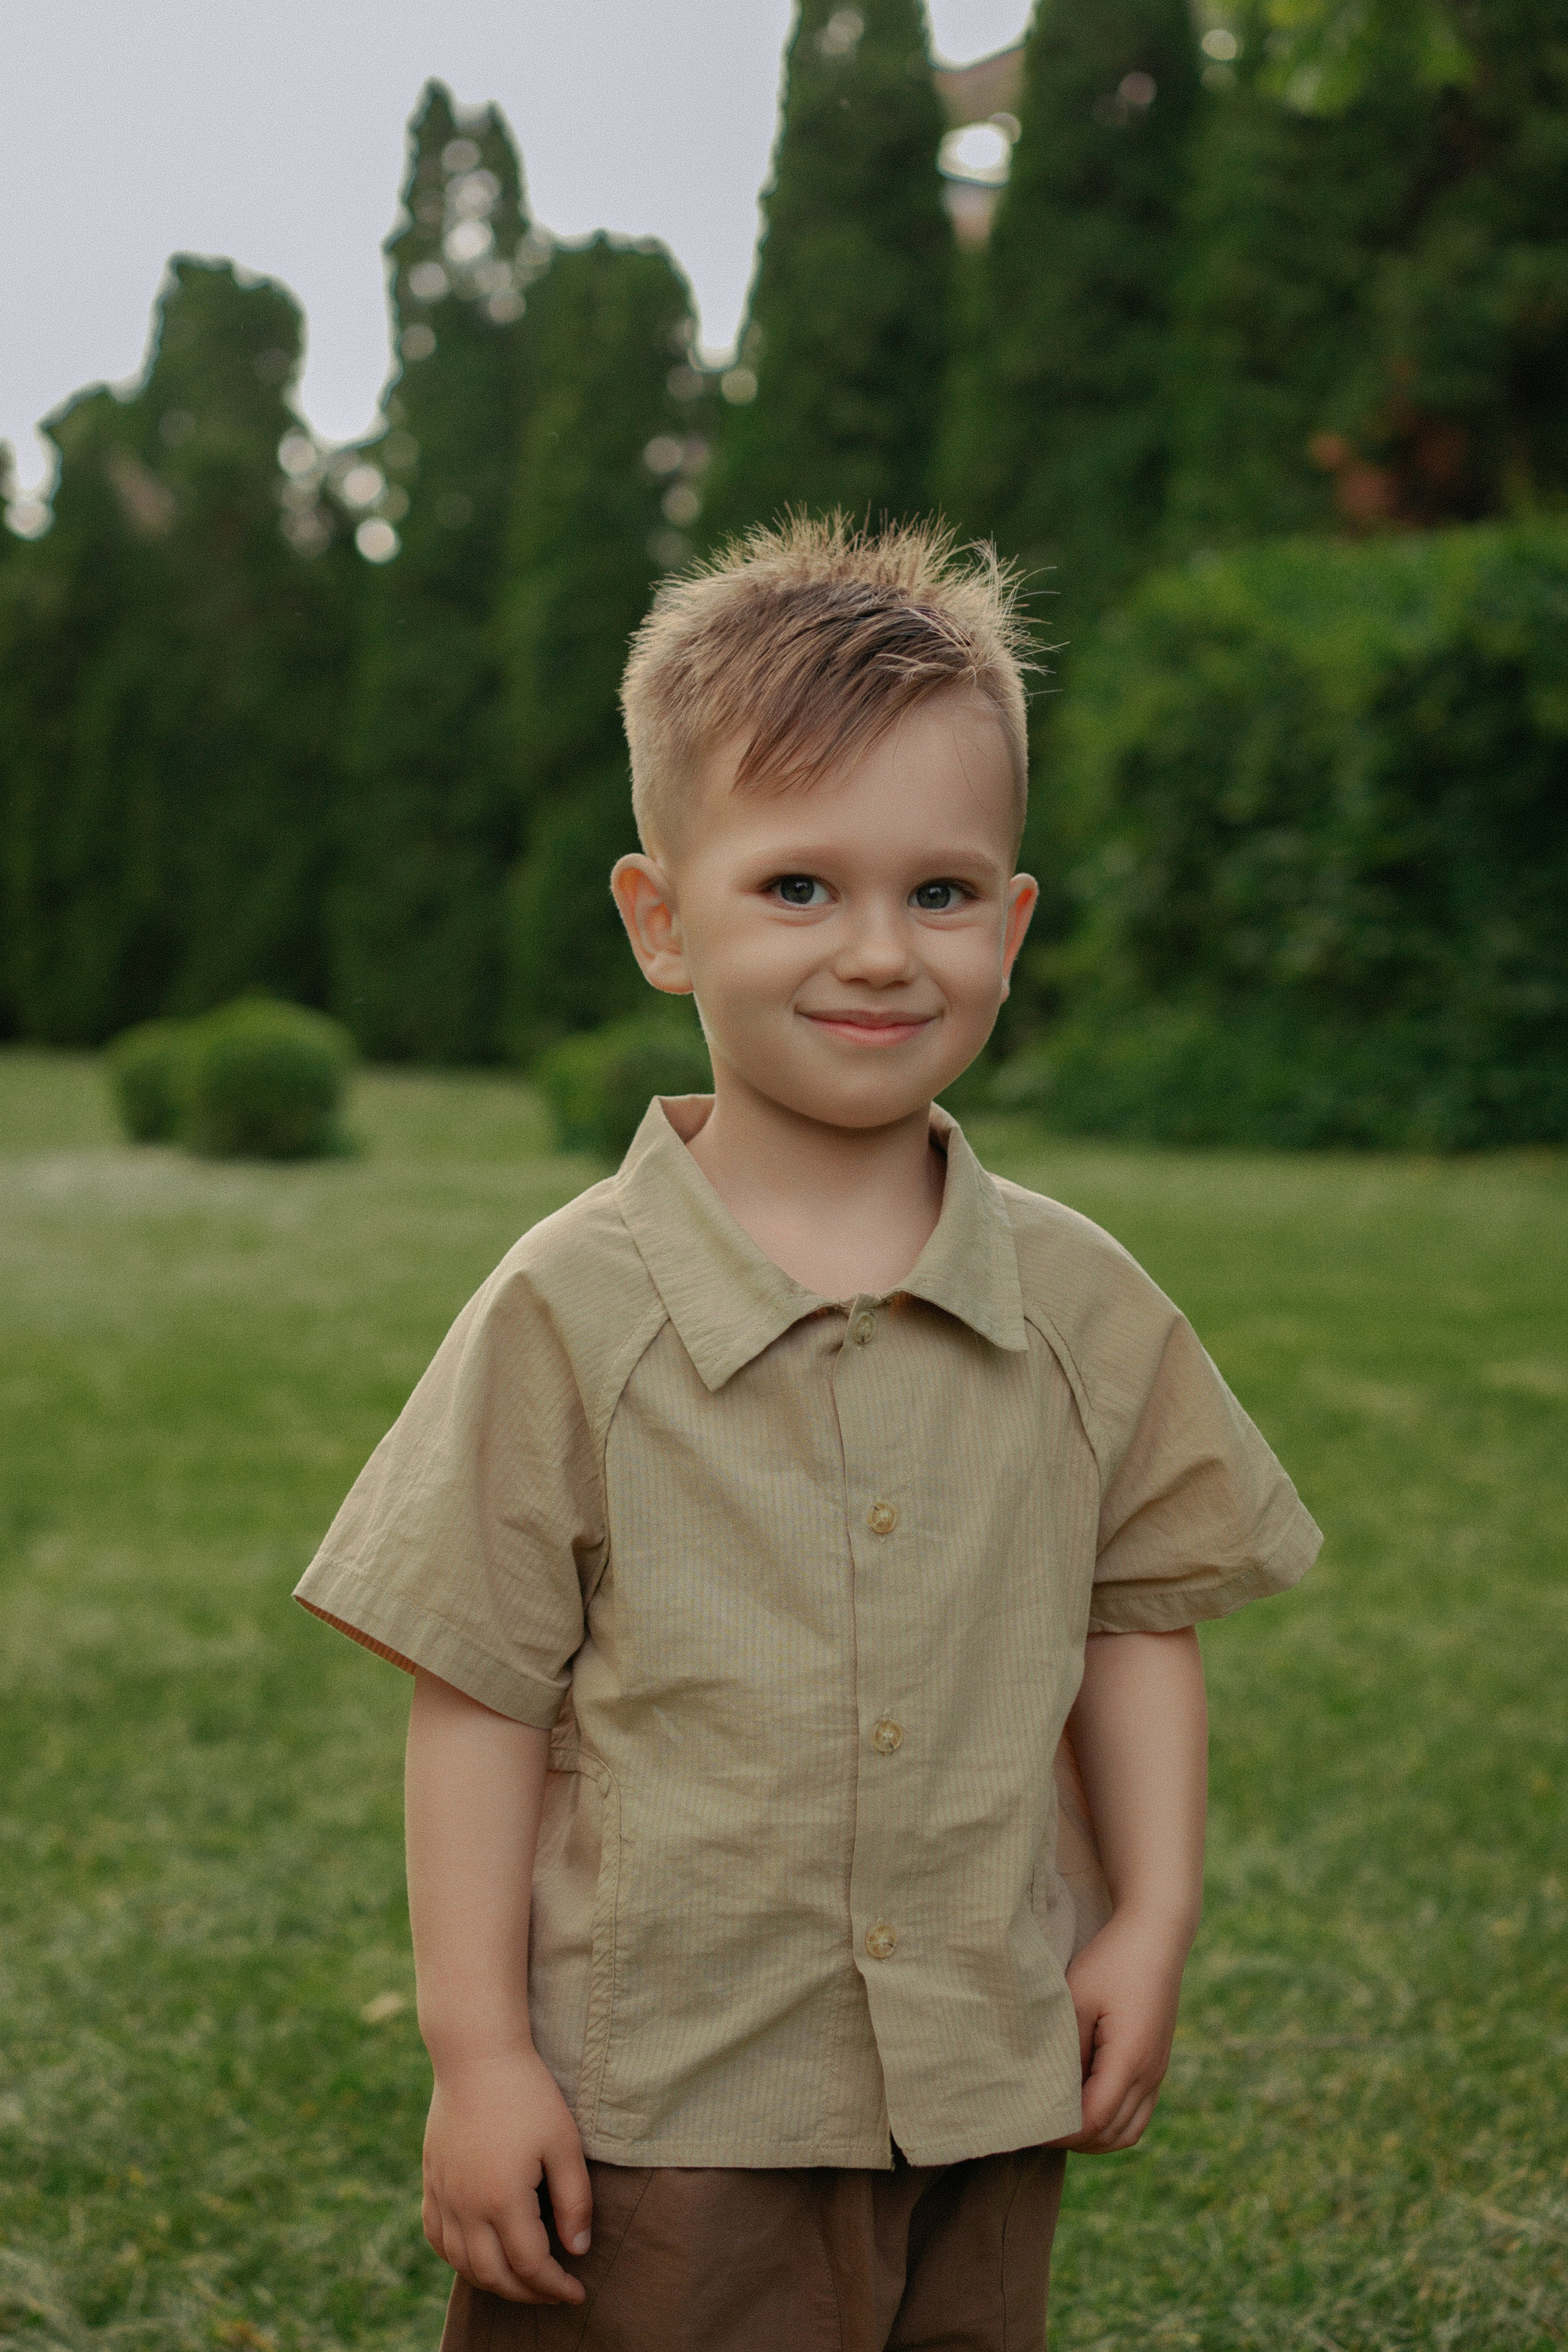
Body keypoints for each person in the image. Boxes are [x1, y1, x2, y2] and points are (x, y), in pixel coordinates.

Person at [294, 516, 1320, 2350]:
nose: (878, 952)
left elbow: (1134, 1619)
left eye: (940, 893)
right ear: (661, 921)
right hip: (668, 2107)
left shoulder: (1085, 1309)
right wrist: (478, 2053)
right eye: (796, 890)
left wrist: (1149, 1921)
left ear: (1010, 924)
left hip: (982, 2074)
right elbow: (477, 1690)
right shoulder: (570, 1307)